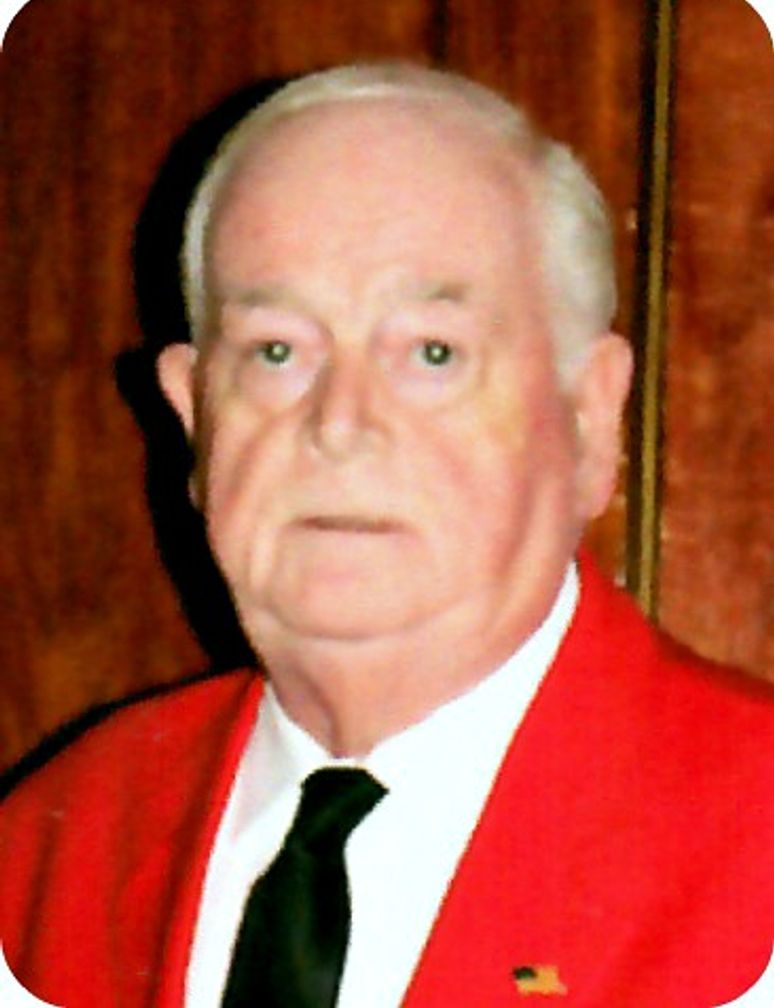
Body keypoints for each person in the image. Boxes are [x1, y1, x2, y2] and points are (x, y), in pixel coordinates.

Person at [1, 63, 771, 1008]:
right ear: (194, 418)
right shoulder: (50, 850)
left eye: (431, 353)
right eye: (277, 351)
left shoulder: (753, 835)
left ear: (587, 419)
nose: (339, 425)